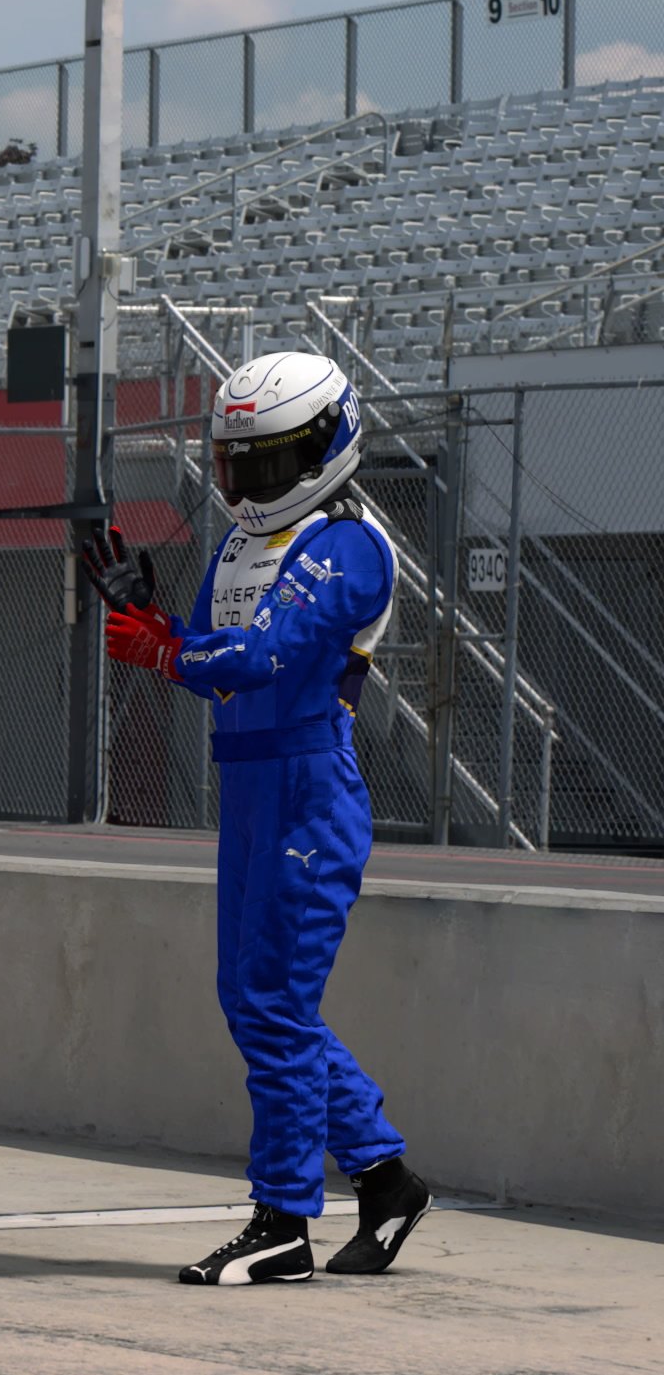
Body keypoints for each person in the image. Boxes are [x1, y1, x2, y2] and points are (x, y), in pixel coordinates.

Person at [91, 350, 433, 1286]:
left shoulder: (350, 546)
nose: (246, 480)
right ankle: (386, 1177)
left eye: (266, 459)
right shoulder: (241, 546)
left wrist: (162, 649)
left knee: (274, 1006)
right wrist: (150, 612)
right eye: (234, 460)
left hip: (309, 790)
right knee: (254, 1002)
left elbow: (262, 656)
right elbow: (203, 645)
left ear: (326, 445)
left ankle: (283, 1219)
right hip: (245, 788)